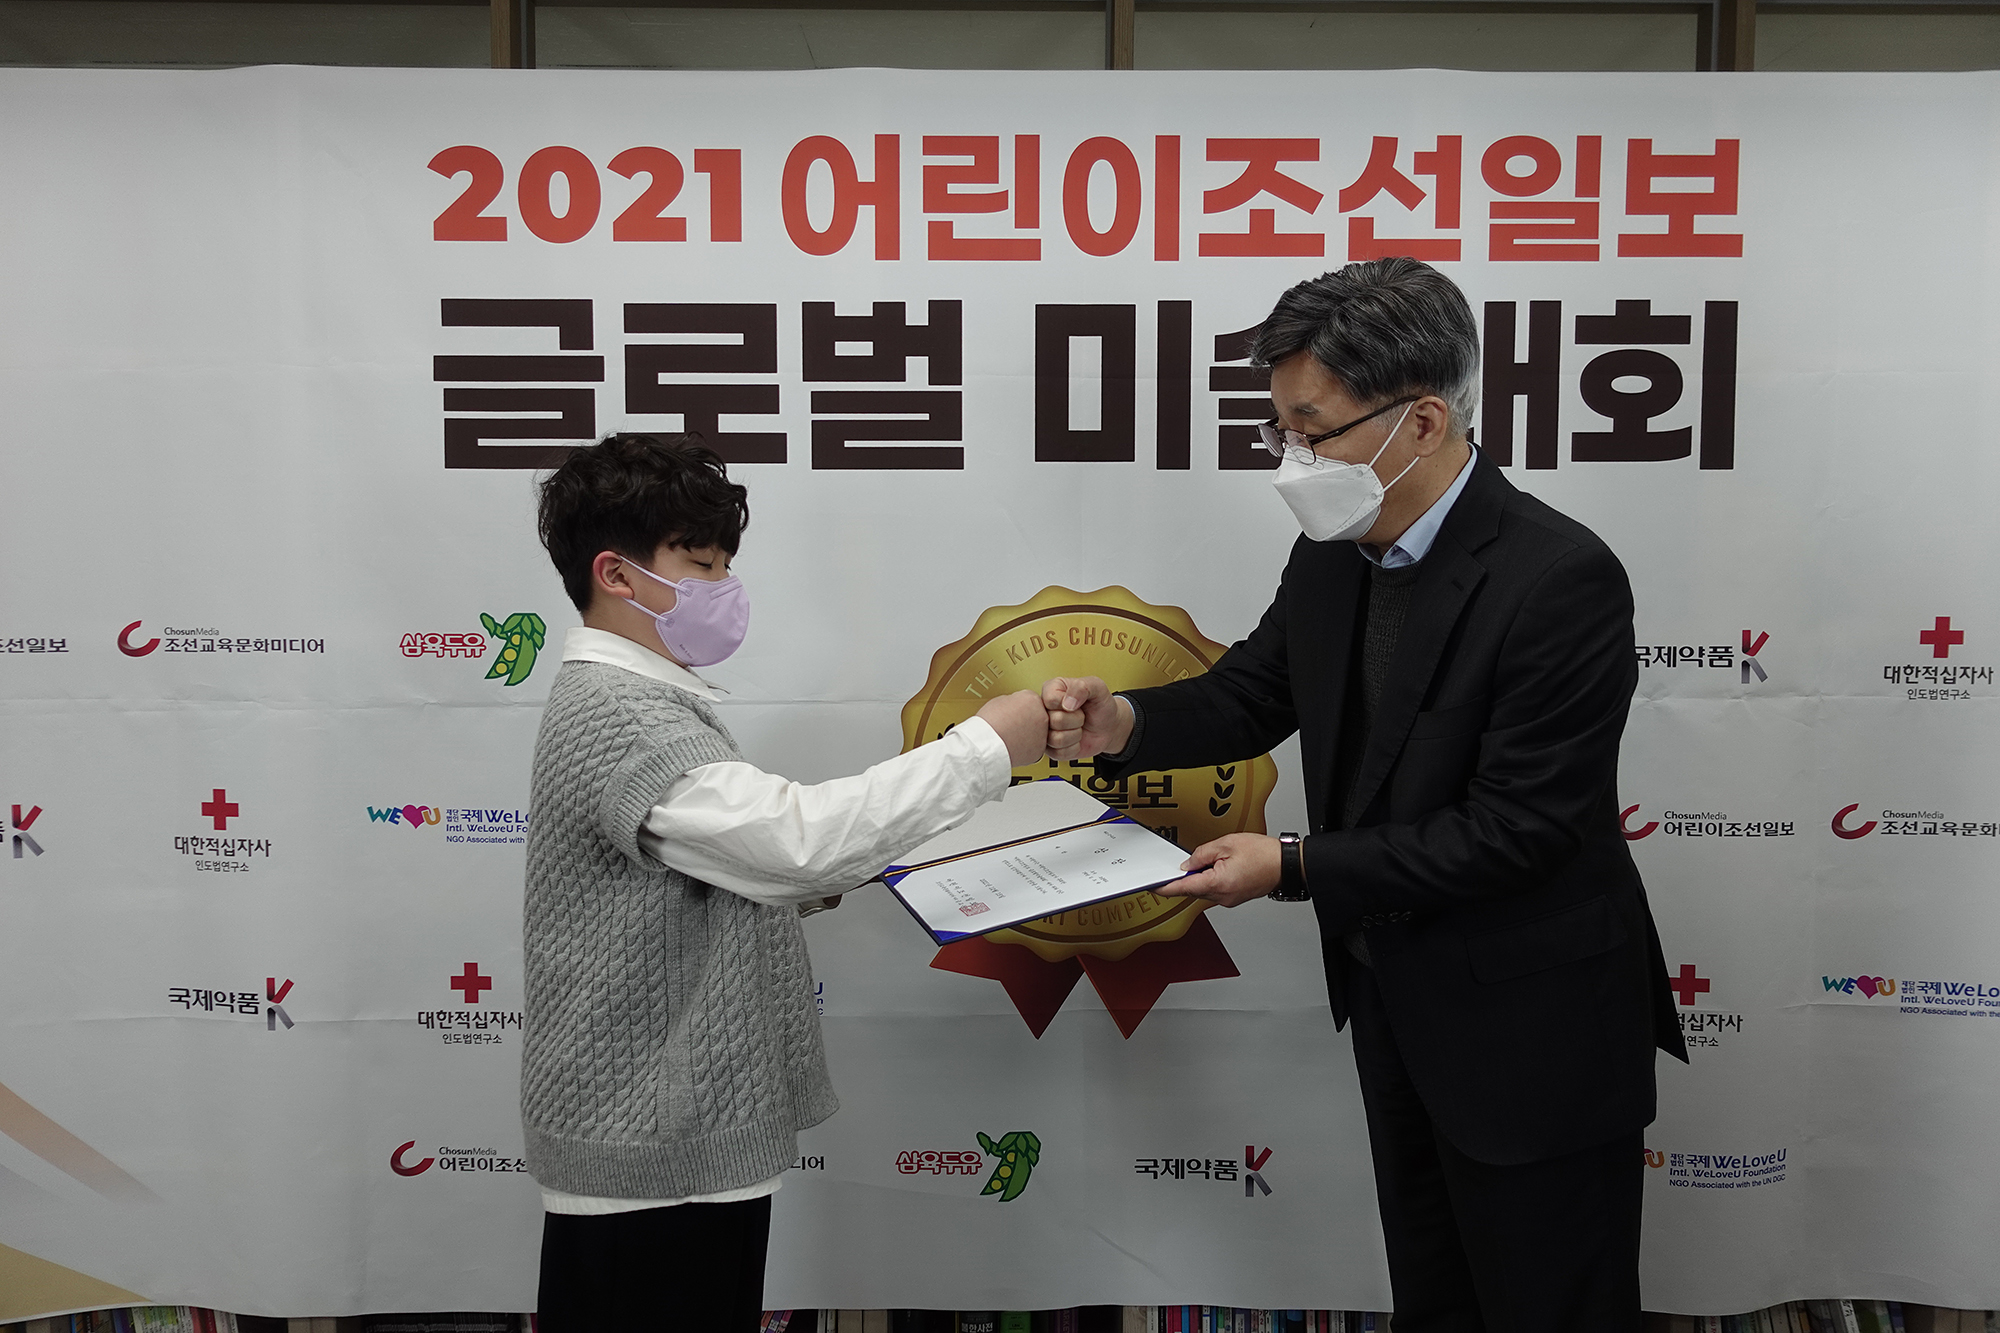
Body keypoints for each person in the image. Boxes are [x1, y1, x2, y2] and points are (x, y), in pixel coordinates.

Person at [1041, 259, 1685, 1332]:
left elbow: (1518, 829)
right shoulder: (1333, 551)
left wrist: (1292, 865)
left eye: (1313, 430)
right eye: (1280, 430)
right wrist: (1125, 724)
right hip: (1397, 999)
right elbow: (1253, 692)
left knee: (1550, 1306)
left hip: (1534, 1026)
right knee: (1435, 1295)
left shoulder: (1557, 578)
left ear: (1421, 421)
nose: (1291, 460)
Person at [519, 433, 1048, 1332]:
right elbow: (799, 842)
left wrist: (848, 863)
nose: (724, 586)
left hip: (674, 1141)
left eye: (726, 564)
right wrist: (988, 746)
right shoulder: (625, 716)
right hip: (651, 1158)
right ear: (614, 573)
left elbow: (753, 863)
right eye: (700, 565)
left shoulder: (650, 701)